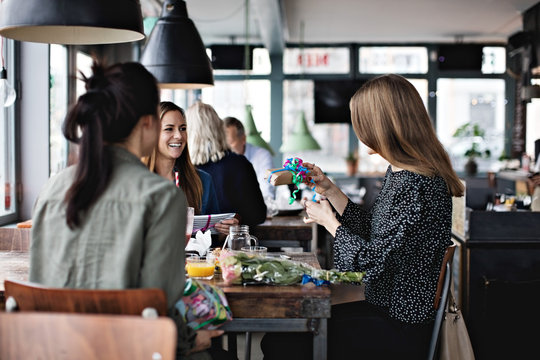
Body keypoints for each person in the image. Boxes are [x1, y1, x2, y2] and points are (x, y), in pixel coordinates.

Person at [29, 60, 231, 360]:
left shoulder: (54, 188)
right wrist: (193, 339)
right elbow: (159, 306)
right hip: (130, 349)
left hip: (55, 349)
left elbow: (40, 290)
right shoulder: (162, 197)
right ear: (147, 122)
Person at [261, 74, 465, 360]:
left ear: (380, 125)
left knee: (281, 343)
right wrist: (332, 191)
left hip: (401, 326)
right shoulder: (401, 174)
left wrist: (329, 222)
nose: (357, 130)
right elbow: (374, 231)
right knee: (283, 336)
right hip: (385, 310)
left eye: (360, 122)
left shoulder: (417, 186)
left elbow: (372, 263)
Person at [186, 101, 267, 230]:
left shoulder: (178, 169)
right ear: (219, 129)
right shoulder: (239, 164)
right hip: (228, 247)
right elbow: (258, 214)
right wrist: (237, 220)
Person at [224, 116, 276, 201]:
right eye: (223, 143)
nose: (226, 149)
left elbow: (267, 194)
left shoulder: (262, 156)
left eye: (231, 143)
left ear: (243, 139)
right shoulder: (220, 160)